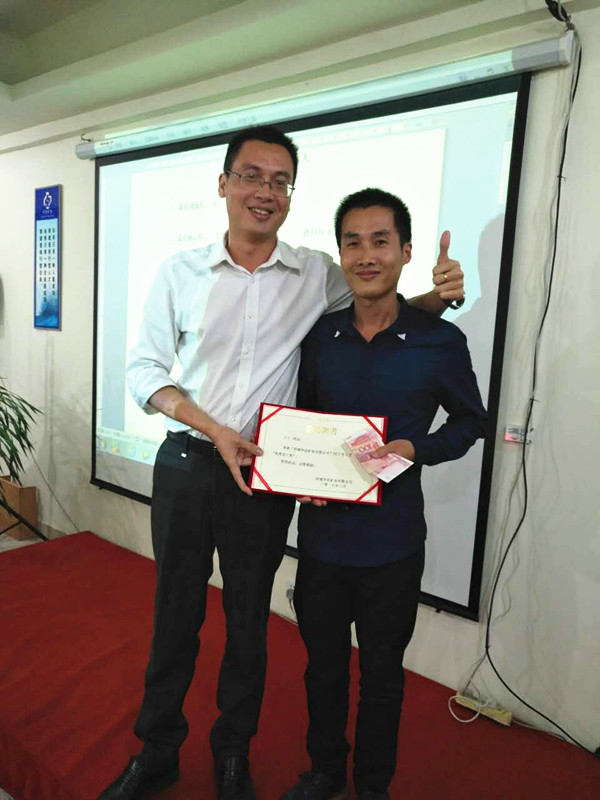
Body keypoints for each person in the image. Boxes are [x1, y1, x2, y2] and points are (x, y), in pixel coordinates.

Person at [98, 127, 465, 800]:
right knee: (175, 615)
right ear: (223, 184)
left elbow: (381, 313)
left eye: (279, 181)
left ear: (290, 195)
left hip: (264, 474)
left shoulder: (316, 273)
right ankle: (157, 751)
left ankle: (232, 756)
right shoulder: (180, 272)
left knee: (248, 624)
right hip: (187, 462)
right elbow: (144, 371)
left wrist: (438, 298)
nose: (264, 191)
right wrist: (214, 428)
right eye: (251, 176)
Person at [282, 188, 487, 800]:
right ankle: (324, 772)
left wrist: (415, 449)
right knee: (322, 669)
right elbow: (299, 421)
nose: (366, 255)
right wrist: (299, 473)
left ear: (406, 251)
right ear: (340, 253)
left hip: (393, 544)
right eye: (353, 243)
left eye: (380, 241)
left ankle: (372, 786)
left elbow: (470, 422)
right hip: (322, 541)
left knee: (382, 677)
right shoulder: (319, 337)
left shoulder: (438, 341)